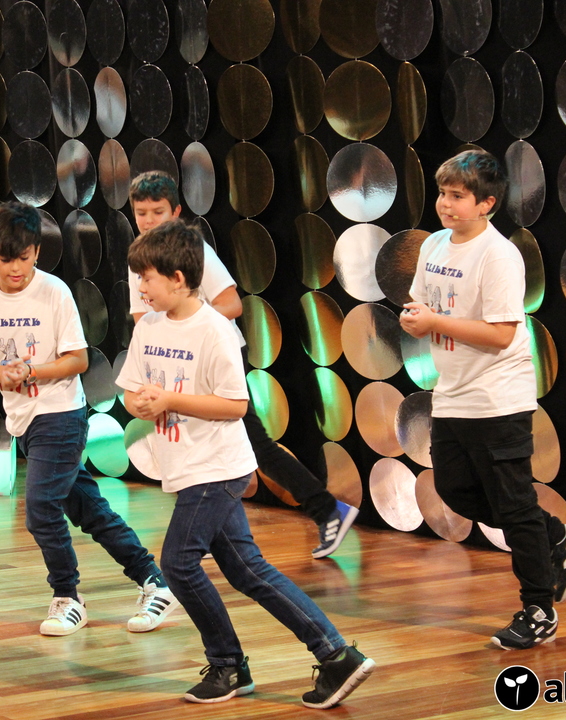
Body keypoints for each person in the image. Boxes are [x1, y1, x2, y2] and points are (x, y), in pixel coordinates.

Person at [117, 220, 374, 708]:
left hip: (216, 468)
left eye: (146, 278)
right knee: (248, 571)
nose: (140, 287)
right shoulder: (148, 326)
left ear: (177, 278)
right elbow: (132, 390)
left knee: (177, 563)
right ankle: (335, 655)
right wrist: (142, 404)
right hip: (186, 465)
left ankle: (227, 663)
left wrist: (169, 399)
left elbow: (235, 405)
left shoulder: (214, 330)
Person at [0, 200, 178, 637]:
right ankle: (154, 579)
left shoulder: (53, 292)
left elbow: (77, 360)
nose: (15, 269)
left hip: (60, 413)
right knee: (89, 511)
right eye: (5, 259)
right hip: (22, 420)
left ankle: (67, 596)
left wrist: (32, 371)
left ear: (36, 251)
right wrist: (1, 373)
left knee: (40, 510)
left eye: (23, 258)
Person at [400, 150, 566, 650]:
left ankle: (539, 609)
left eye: (457, 196)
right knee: (455, 490)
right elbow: (424, 302)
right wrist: (416, 317)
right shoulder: (435, 245)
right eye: (443, 194)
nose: (446, 204)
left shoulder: (499, 255)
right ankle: (555, 535)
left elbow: (502, 334)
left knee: (513, 502)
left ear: (487, 203)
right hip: (452, 394)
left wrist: (436, 323)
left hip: (498, 398)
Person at [127, 171, 356, 559]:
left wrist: (190, 326)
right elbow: (143, 318)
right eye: (141, 213)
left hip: (215, 362)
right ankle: (212, 534)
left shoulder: (191, 250)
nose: (149, 220)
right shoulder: (140, 257)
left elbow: (231, 303)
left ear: (176, 212)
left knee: (255, 445)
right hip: (177, 367)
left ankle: (327, 509)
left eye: (158, 211)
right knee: (202, 450)